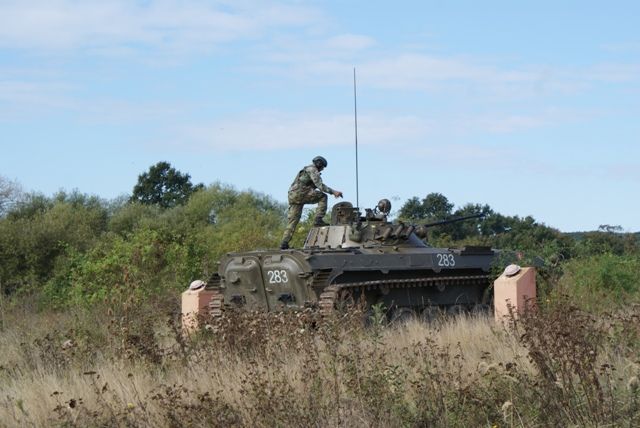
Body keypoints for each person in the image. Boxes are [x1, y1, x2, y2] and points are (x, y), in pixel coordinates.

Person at [280, 156, 343, 249]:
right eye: (322, 167)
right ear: (319, 164)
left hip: (293, 196)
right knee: (323, 197)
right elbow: (320, 185)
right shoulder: (312, 170)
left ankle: (284, 242)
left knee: (293, 220)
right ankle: (318, 219)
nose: (323, 169)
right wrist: (334, 192)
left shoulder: (307, 170)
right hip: (301, 193)